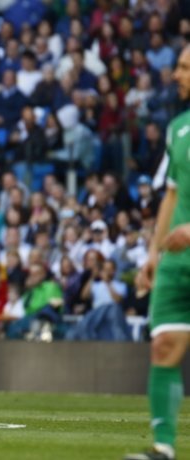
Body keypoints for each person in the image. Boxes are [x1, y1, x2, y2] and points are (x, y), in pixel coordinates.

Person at [126, 45, 190, 460]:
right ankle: (163, 449)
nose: (177, 74)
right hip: (176, 260)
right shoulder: (178, 128)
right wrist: (153, 253)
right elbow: (170, 195)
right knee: (163, 345)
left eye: (185, 67)